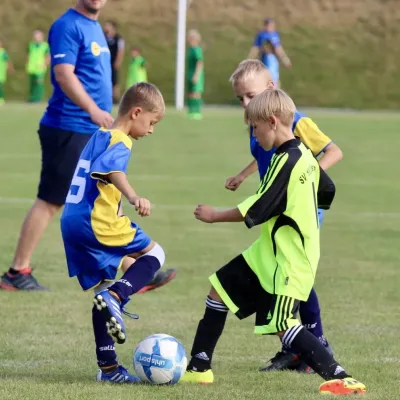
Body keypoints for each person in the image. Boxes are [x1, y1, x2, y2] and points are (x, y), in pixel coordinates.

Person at [181, 88, 366, 396]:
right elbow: (326, 188)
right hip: (269, 249)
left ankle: (340, 375)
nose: (254, 134)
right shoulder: (302, 154)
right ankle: (198, 369)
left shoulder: (288, 160)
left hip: (289, 257)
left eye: (255, 127)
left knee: (281, 322)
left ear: (271, 121)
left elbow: (257, 206)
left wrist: (214, 215)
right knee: (220, 289)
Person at [225, 59, 343, 372]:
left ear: (271, 89)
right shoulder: (257, 125)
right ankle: (297, 348)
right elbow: (271, 153)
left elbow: (333, 152)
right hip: (277, 208)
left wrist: (305, 179)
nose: (246, 104)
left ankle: (314, 344)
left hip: (299, 209)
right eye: (241, 99)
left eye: (251, 95)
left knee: (293, 274)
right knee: (284, 273)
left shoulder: (297, 121)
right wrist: (242, 175)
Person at [61, 82, 167, 383]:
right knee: (156, 254)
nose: (151, 129)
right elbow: (111, 170)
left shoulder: (100, 134)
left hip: (72, 220)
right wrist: (133, 197)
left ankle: (108, 368)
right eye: (152, 122)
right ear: (136, 112)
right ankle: (119, 296)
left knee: (101, 292)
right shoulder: (120, 139)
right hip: (96, 221)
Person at [248, 18, 291, 87]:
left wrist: (285, 60)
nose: (271, 27)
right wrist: (249, 59)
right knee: (266, 78)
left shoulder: (275, 35)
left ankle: (275, 94)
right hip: (265, 58)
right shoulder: (261, 35)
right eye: (269, 25)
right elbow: (255, 48)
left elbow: (279, 48)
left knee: (274, 78)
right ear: (266, 25)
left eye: (272, 25)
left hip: (273, 59)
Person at [104, 20, 125, 104]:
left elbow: (120, 51)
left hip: (113, 62)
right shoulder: (103, 37)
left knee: (114, 81)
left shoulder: (118, 38)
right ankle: (105, 97)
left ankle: (115, 99)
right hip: (105, 62)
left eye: (107, 25)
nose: (105, 27)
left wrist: (118, 61)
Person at [26, 30, 50, 102]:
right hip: (31, 68)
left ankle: (37, 98)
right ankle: (31, 97)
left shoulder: (45, 46)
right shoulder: (31, 45)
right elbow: (28, 55)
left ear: (41, 37)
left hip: (40, 68)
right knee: (32, 84)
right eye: (35, 36)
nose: (36, 38)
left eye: (38, 36)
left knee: (38, 84)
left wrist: (45, 64)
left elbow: (48, 56)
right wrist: (27, 63)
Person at [186, 29, 204, 120]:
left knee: (196, 93)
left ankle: (197, 112)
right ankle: (191, 111)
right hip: (190, 74)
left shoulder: (197, 50)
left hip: (195, 74)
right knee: (190, 93)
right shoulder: (190, 49)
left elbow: (199, 63)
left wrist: (196, 75)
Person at [0, 39, 14, 105]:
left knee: (0, 87)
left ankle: (1, 99)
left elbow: (7, 61)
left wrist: (10, 69)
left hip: (1, 73)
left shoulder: (3, 52)